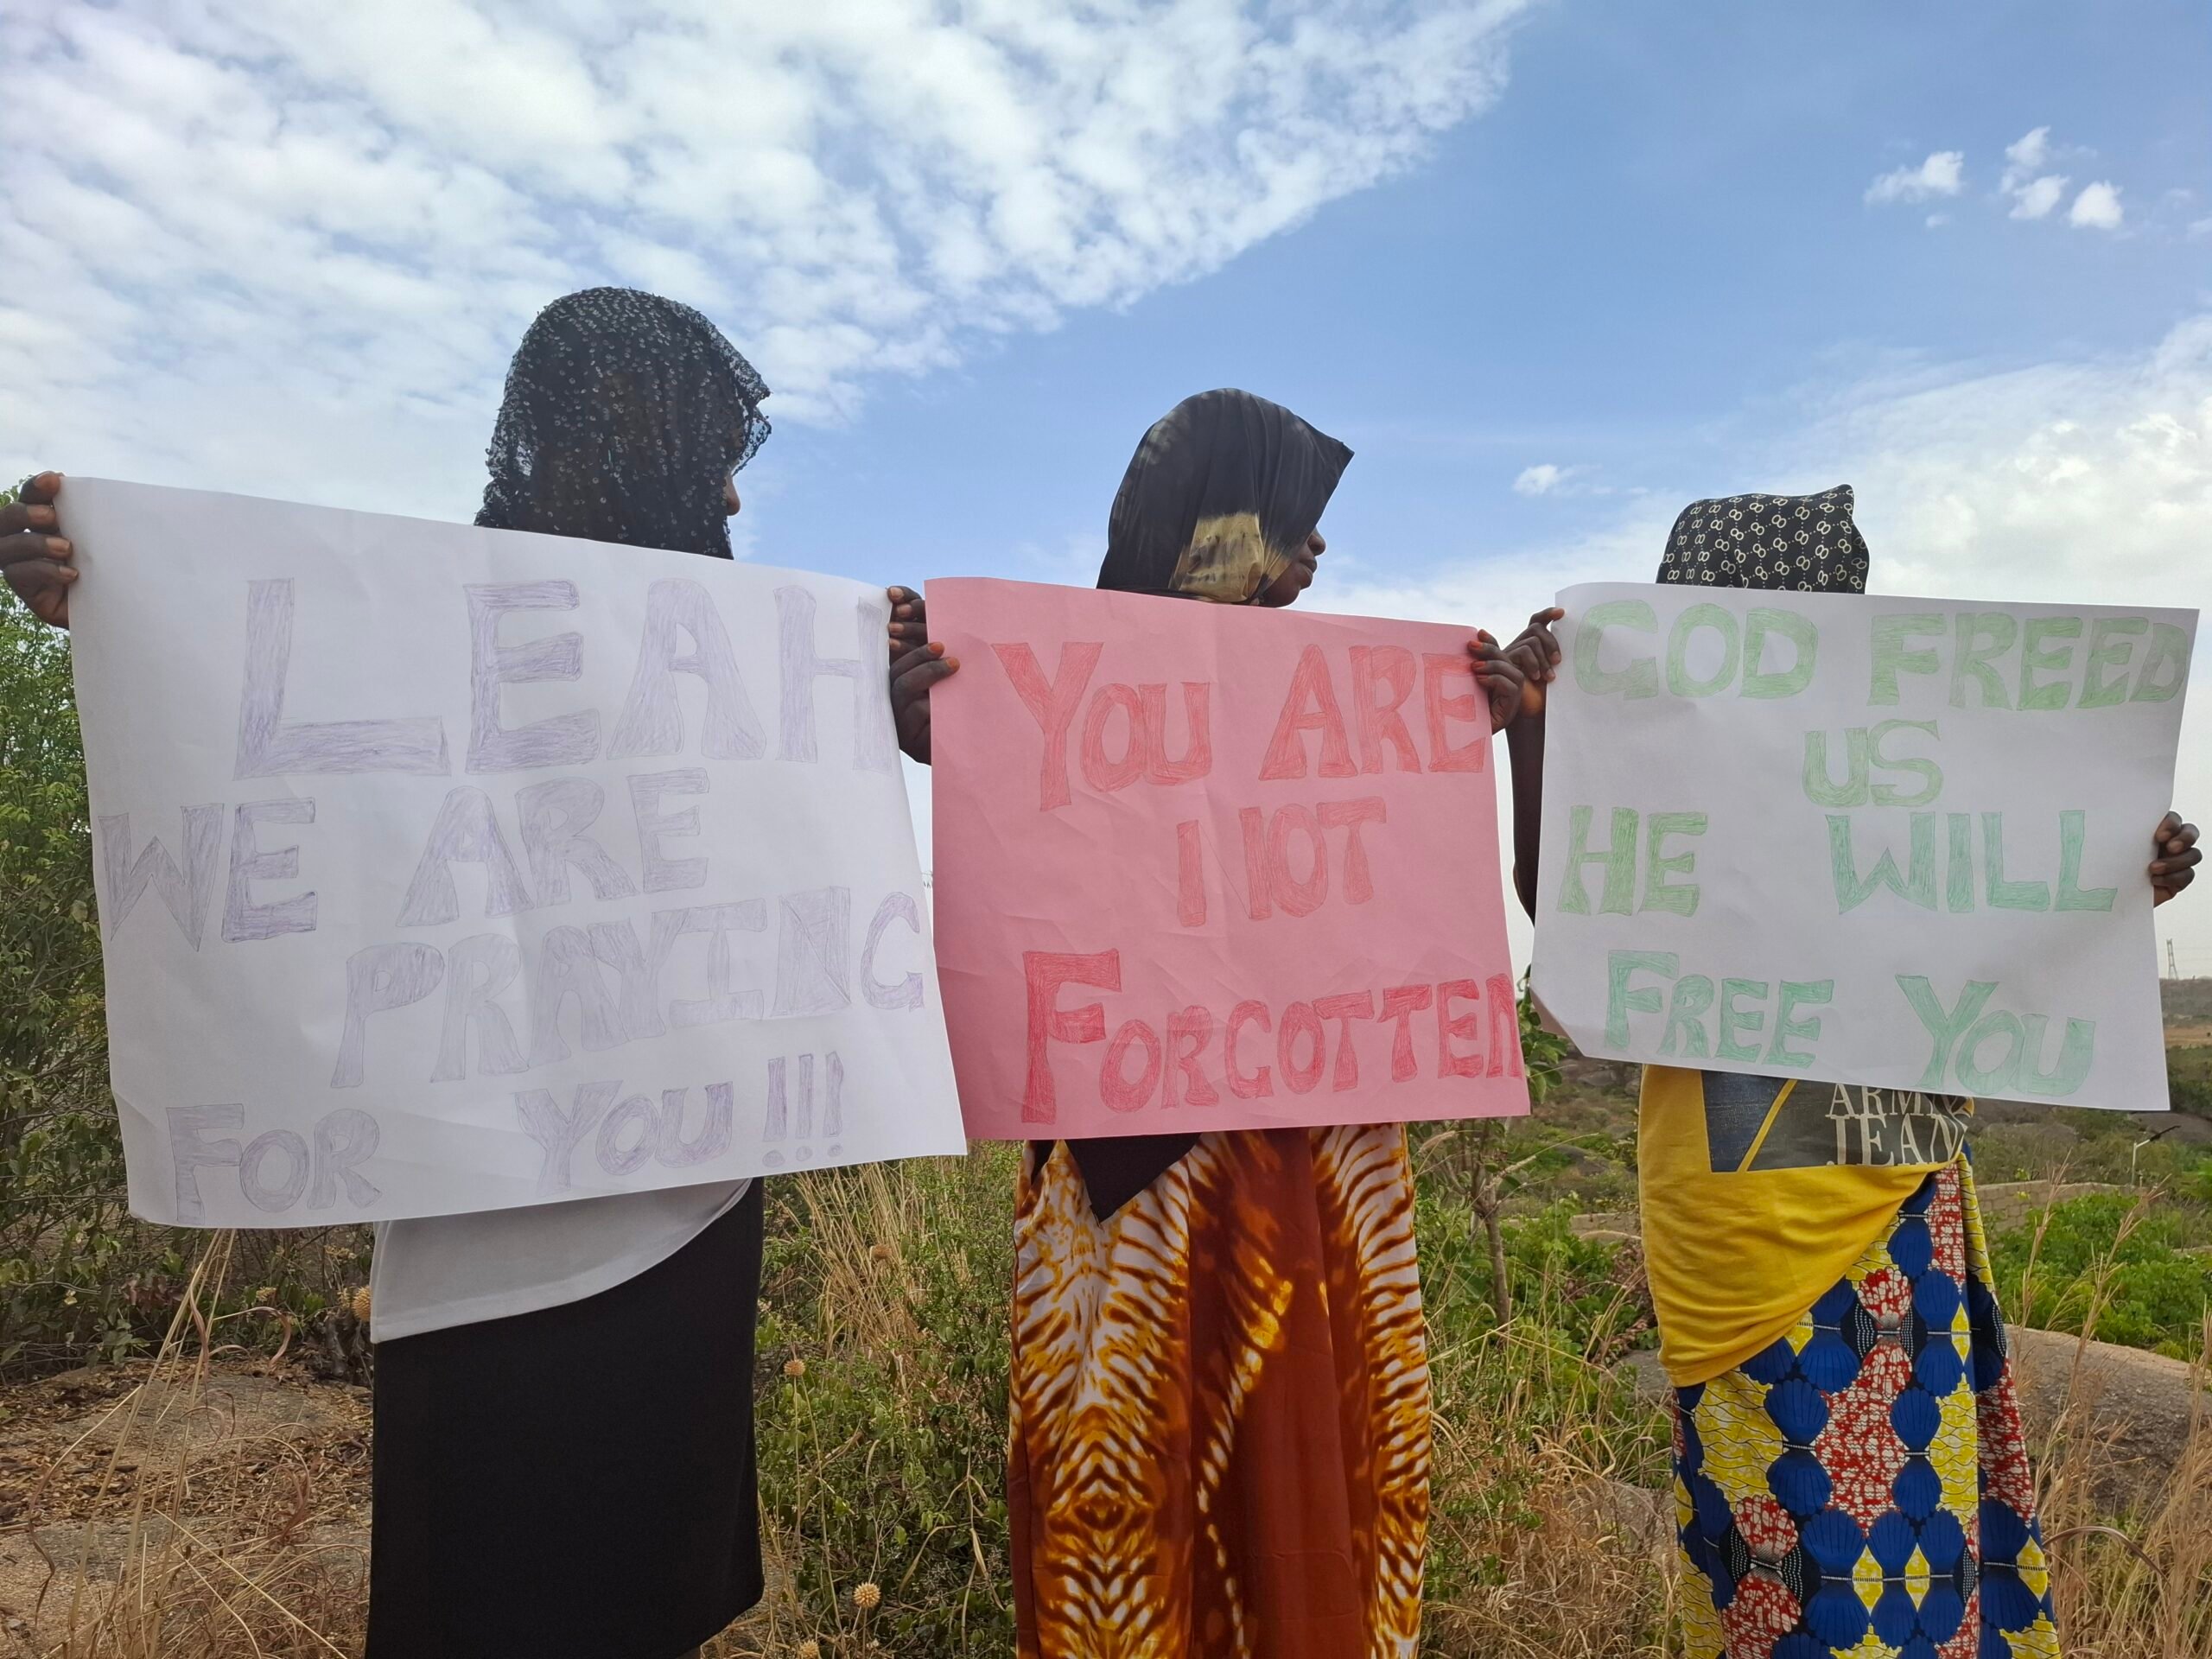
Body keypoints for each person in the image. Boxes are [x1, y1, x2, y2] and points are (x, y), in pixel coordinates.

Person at [3, 286, 947, 1659]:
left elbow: (786, 831)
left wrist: (896, 711)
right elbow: (234, 687)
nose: (733, 504)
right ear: (601, 435)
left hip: (686, 1207)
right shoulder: (396, 617)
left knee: (653, 1584)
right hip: (481, 1238)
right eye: (702, 451)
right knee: (490, 1586)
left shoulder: (734, 648)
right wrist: (104, 585)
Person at [1498, 486, 2202, 1659]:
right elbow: (1570, 918)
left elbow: (1999, 906)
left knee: (1926, 1579)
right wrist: (1532, 730)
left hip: (1903, 1211)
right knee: (1790, 1586)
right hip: (1749, 1239)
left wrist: (2117, 871)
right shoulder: (1666, 780)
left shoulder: (1900, 763)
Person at [903, 388, 1524, 1657]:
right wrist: (938, 725)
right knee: (1139, 1473)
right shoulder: (1045, 697)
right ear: (1224, 526)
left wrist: (1490, 724)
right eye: (1295, 521)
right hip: (1145, 1186)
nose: (1317, 552)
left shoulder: (1344, 706)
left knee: (1312, 1467)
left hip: (1316, 1168)